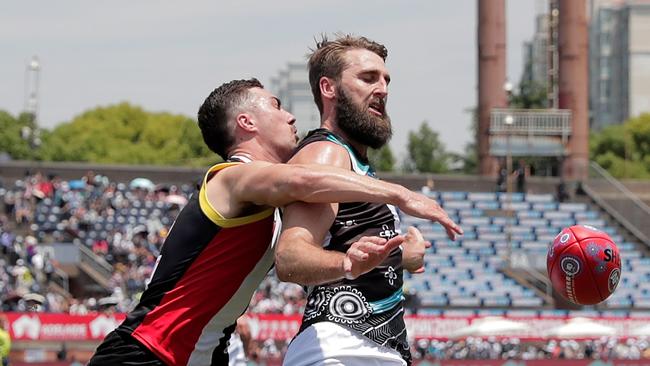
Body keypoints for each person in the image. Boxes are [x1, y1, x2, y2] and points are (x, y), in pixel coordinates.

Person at [89, 78, 463, 366]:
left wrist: (400, 253)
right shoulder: (233, 177)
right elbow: (304, 180)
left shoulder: (268, 200)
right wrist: (400, 194)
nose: (290, 115)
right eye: (276, 105)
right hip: (146, 353)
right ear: (246, 122)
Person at [276, 35, 462, 366]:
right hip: (340, 349)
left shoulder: (353, 162)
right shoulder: (325, 153)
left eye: (386, 79)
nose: (383, 89)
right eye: (368, 78)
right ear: (328, 88)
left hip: (369, 350)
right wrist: (347, 264)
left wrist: (401, 256)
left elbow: (346, 242)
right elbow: (290, 258)